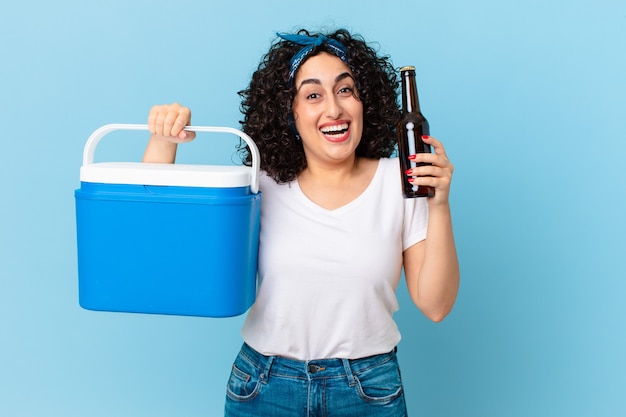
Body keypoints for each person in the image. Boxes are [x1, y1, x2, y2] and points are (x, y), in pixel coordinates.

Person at [143, 28, 459, 417]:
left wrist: (439, 203)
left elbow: (436, 305)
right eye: (313, 95)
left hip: (368, 390)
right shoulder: (260, 186)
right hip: (264, 385)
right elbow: (158, 244)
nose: (334, 109)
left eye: (345, 90)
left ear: (367, 103)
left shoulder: (399, 182)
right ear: (288, 114)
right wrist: (162, 141)